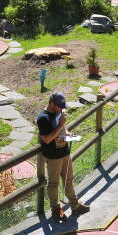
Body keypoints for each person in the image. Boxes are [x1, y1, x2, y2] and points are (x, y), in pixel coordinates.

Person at [36, 92, 90, 221]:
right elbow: (47, 139)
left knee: (69, 180)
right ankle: (56, 210)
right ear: (51, 104)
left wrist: (69, 135)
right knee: (54, 184)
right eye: (59, 106)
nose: (61, 109)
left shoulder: (58, 113)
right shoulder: (42, 118)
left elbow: (63, 131)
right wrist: (60, 125)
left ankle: (75, 206)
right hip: (53, 157)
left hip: (65, 154)